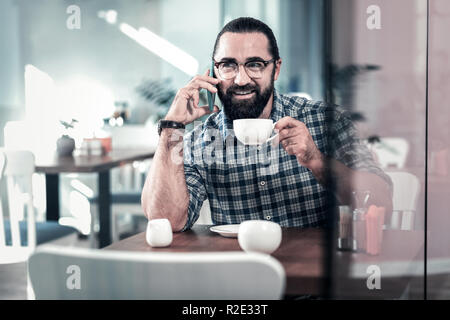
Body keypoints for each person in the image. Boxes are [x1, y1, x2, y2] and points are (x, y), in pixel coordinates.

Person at [142, 17, 392, 232]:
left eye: (255, 64)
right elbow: (166, 221)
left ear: (276, 69)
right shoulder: (200, 142)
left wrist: (316, 160)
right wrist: (171, 127)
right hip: (242, 281)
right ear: (213, 72)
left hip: (316, 282)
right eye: (228, 65)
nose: (241, 79)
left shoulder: (326, 120)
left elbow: (381, 205)